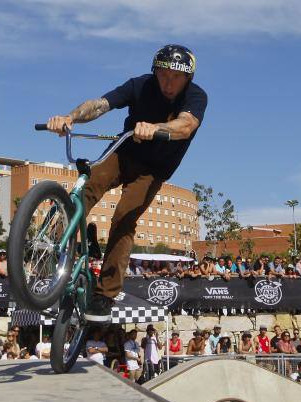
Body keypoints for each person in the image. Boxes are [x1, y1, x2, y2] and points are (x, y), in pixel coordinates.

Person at [45, 44, 206, 321]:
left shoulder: (196, 96)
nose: (168, 83)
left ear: (187, 78)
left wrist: (156, 128)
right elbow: (100, 104)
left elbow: (186, 125)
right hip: (124, 152)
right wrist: (70, 118)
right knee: (88, 184)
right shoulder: (140, 85)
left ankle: (105, 295)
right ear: (155, 72)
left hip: (153, 170)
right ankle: (52, 239)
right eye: (163, 75)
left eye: (176, 77)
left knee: (123, 218)